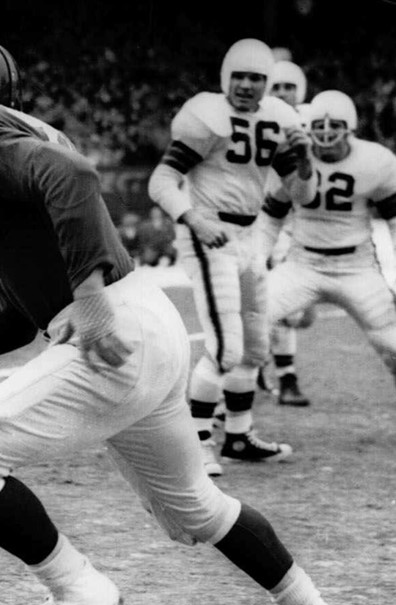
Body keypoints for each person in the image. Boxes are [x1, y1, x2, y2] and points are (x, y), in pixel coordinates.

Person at [0, 37, 362, 605]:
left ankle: (78, 592)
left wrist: (88, 299)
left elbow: (73, 176)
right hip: (150, 327)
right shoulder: (18, 135)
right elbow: (10, 316)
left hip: (111, 333)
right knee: (197, 509)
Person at [147, 38, 316, 477]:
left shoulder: (277, 119)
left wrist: (306, 161)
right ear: (226, 78)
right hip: (210, 233)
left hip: (250, 235)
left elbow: (303, 195)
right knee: (225, 348)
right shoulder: (207, 116)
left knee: (256, 348)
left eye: (256, 77)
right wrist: (194, 220)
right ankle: (196, 443)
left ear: (268, 83)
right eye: (239, 75)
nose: (246, 85)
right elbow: (161, 181)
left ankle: (238, 435)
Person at [260, 90, 396, 405]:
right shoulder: (292, 158)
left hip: (357, 267)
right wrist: (256, 259)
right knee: (248, 324)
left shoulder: (375, 161)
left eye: (333, 129)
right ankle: (228, 422)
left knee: (391, 344)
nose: (326, 138)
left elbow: (393, 220)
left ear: (349, 129)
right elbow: (271, 216)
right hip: (302, 263)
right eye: (319, 130)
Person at [261, 59, 318, 406]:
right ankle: (286, 378)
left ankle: (264, 365)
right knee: (277, 304)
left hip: (309, 221)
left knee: (303, 314)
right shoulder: (259, 119)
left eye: (288, 87)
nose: (282, 93)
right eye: (276, 87)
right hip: (269, 219)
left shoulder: (314, 120)